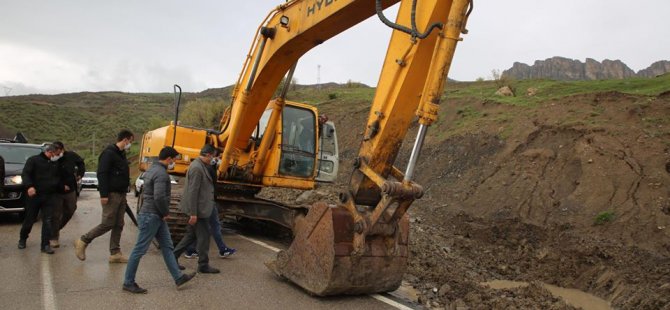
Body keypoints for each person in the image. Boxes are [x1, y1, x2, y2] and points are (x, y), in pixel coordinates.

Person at [123, 147, 195, 294]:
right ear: (168, 159)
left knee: (167, 246)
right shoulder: (161, 174)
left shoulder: (151, 169)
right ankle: (128, 282)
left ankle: (178, 277)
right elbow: (159, 197)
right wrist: (165, 212)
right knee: (139, 250)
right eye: (174, 160)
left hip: (153, 215)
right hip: (152, 215)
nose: (174, 162)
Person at [74, 129, 133, 263]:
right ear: (125, 140)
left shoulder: (121, 154)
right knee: (107, 223)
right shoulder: (109, 153)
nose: (130, 144)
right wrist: (104, 194)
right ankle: (83, 240)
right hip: (111, 194)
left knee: (119, 224)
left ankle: (115, 253)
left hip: (121, 193)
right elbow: (102, 173)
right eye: (130, 141)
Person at [173, 144, 220, 274]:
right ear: (209, 154)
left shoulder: (201, 166)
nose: (213, 159)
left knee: (190, 236)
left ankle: (173, 257)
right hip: (199, 211)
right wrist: (193, 213)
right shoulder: (197, 168)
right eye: (213, 156)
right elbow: (193, 192)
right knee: (204, 237)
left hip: (200, 209)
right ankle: (203, 265)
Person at [184, 154, 236, 259]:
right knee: (212, 226)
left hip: (208, 201)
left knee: (203, 227)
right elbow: (199, 189)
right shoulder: (206, 169)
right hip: (207, 202)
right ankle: (220, 250)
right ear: (210, 156)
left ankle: (191, 250)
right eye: (218, 157)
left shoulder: (207, 168)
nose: (219, 159)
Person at [18, 143, 65, 254]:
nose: (57, 156)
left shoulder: (55, 164)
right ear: (50, 152)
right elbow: (25, 174)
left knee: (48, 221)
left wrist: (63, 186)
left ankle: (45, 245)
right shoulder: (33, 160)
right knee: (30, 219)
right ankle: (23, 238)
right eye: (56, 154)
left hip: (49, 196)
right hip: (34, 196)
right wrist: (29, 186)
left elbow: (58, 178)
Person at [50, 141, 85, 248]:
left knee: (71, 209)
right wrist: (60, 185)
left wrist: (80, 174)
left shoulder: (71, 156)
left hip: (70, 188)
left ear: (61, 149)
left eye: (56, 151)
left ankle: (57, 228)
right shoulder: (51, 159)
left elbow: (81, 163)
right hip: (56, 190)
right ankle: (54, 237)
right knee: (56, 214)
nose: (54, 154)